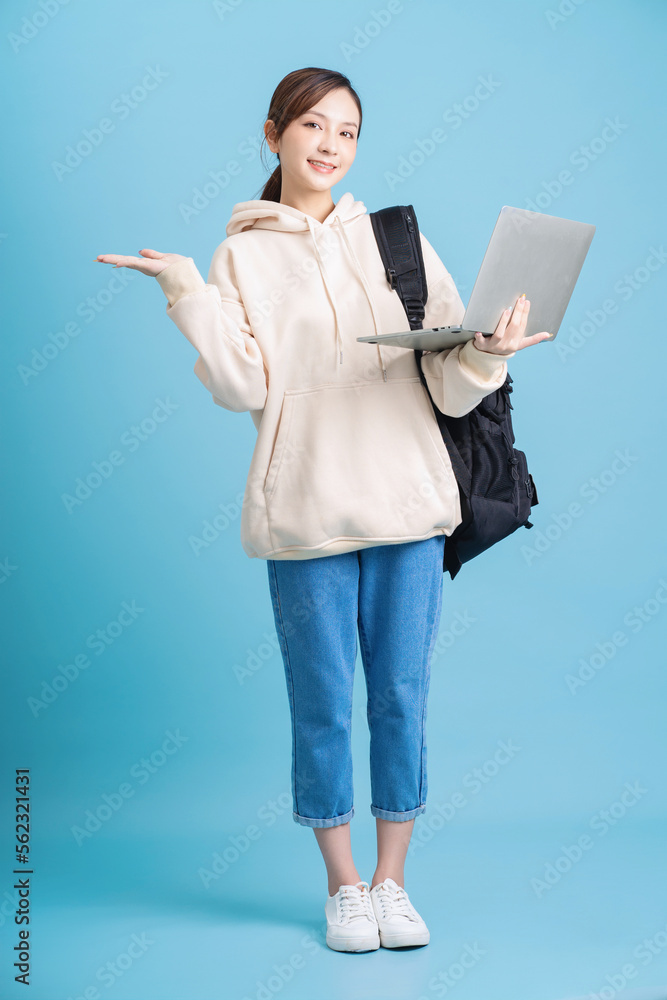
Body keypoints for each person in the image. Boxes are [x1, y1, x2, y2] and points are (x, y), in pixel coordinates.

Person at [94, 66, 550, 954]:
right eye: (312, 125)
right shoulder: (241, 254)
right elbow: (241, 386)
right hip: (304, 513)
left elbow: (451, 390)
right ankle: (342, 886)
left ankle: (392, 883)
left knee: (401, 697)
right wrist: (186, 290)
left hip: (409, 507)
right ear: (274, 135)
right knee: (322, 704)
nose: (330, 144)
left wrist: (489, 352)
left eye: (346, 131)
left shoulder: (397, 243)